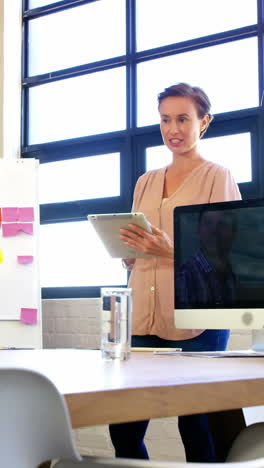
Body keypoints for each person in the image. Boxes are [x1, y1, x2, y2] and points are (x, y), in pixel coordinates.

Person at [109, 82, 242, 463]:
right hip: (143, 319)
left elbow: (227, 256)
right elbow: (141, 250)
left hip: (198, 318)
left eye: (183, 118)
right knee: (124, 426)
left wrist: (174, 250)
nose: (173, 129)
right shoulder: (145, 181)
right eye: (166, 119)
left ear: (204, 122)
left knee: (197, 424)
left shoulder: (218, 176)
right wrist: (130, 254)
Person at [176, 209, 239, 309]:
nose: (214, 231)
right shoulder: (186, 273)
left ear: (233, 234)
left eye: (222, 225)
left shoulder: (231, 274)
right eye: (208, 223)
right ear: (198, 231)